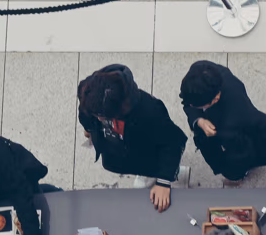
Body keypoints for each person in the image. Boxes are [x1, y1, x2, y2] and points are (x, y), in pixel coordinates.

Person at [78, 64, 188, 212]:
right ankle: (169, 171)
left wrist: (163, 181)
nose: (98, 119)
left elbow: (173, 142)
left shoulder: (150, 110)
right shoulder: (90, 92)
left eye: (101, 117)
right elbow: (85, 113)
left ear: (120, 109)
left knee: (153, 168)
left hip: (144, 152)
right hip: (117, 149)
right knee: (120, 165)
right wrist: (88, 127)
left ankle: (173, 172)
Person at [180, 60, 266, 184]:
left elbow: (239, 155)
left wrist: (233, 175)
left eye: (197, 106)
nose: (190, 106)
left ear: (215, 99)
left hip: (242, 142)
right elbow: (187, 102)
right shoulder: (199, 73)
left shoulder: (231, 122)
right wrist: (199, 120)